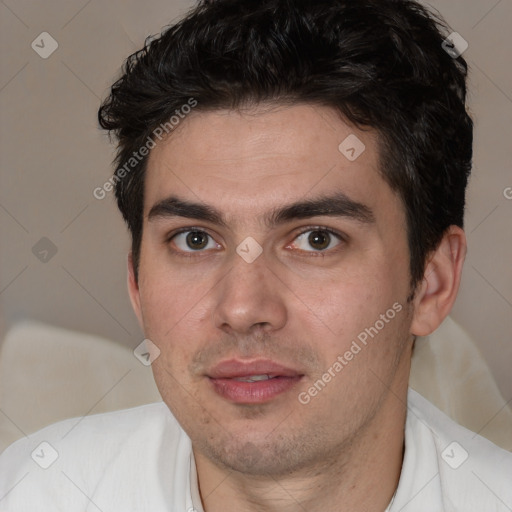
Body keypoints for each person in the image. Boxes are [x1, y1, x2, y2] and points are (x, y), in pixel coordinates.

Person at [1, 0, 511, 510]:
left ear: (432, 282)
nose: (243, 309)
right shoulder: (32, 491)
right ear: (136, 281)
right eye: (194, 239)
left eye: (316, 239)